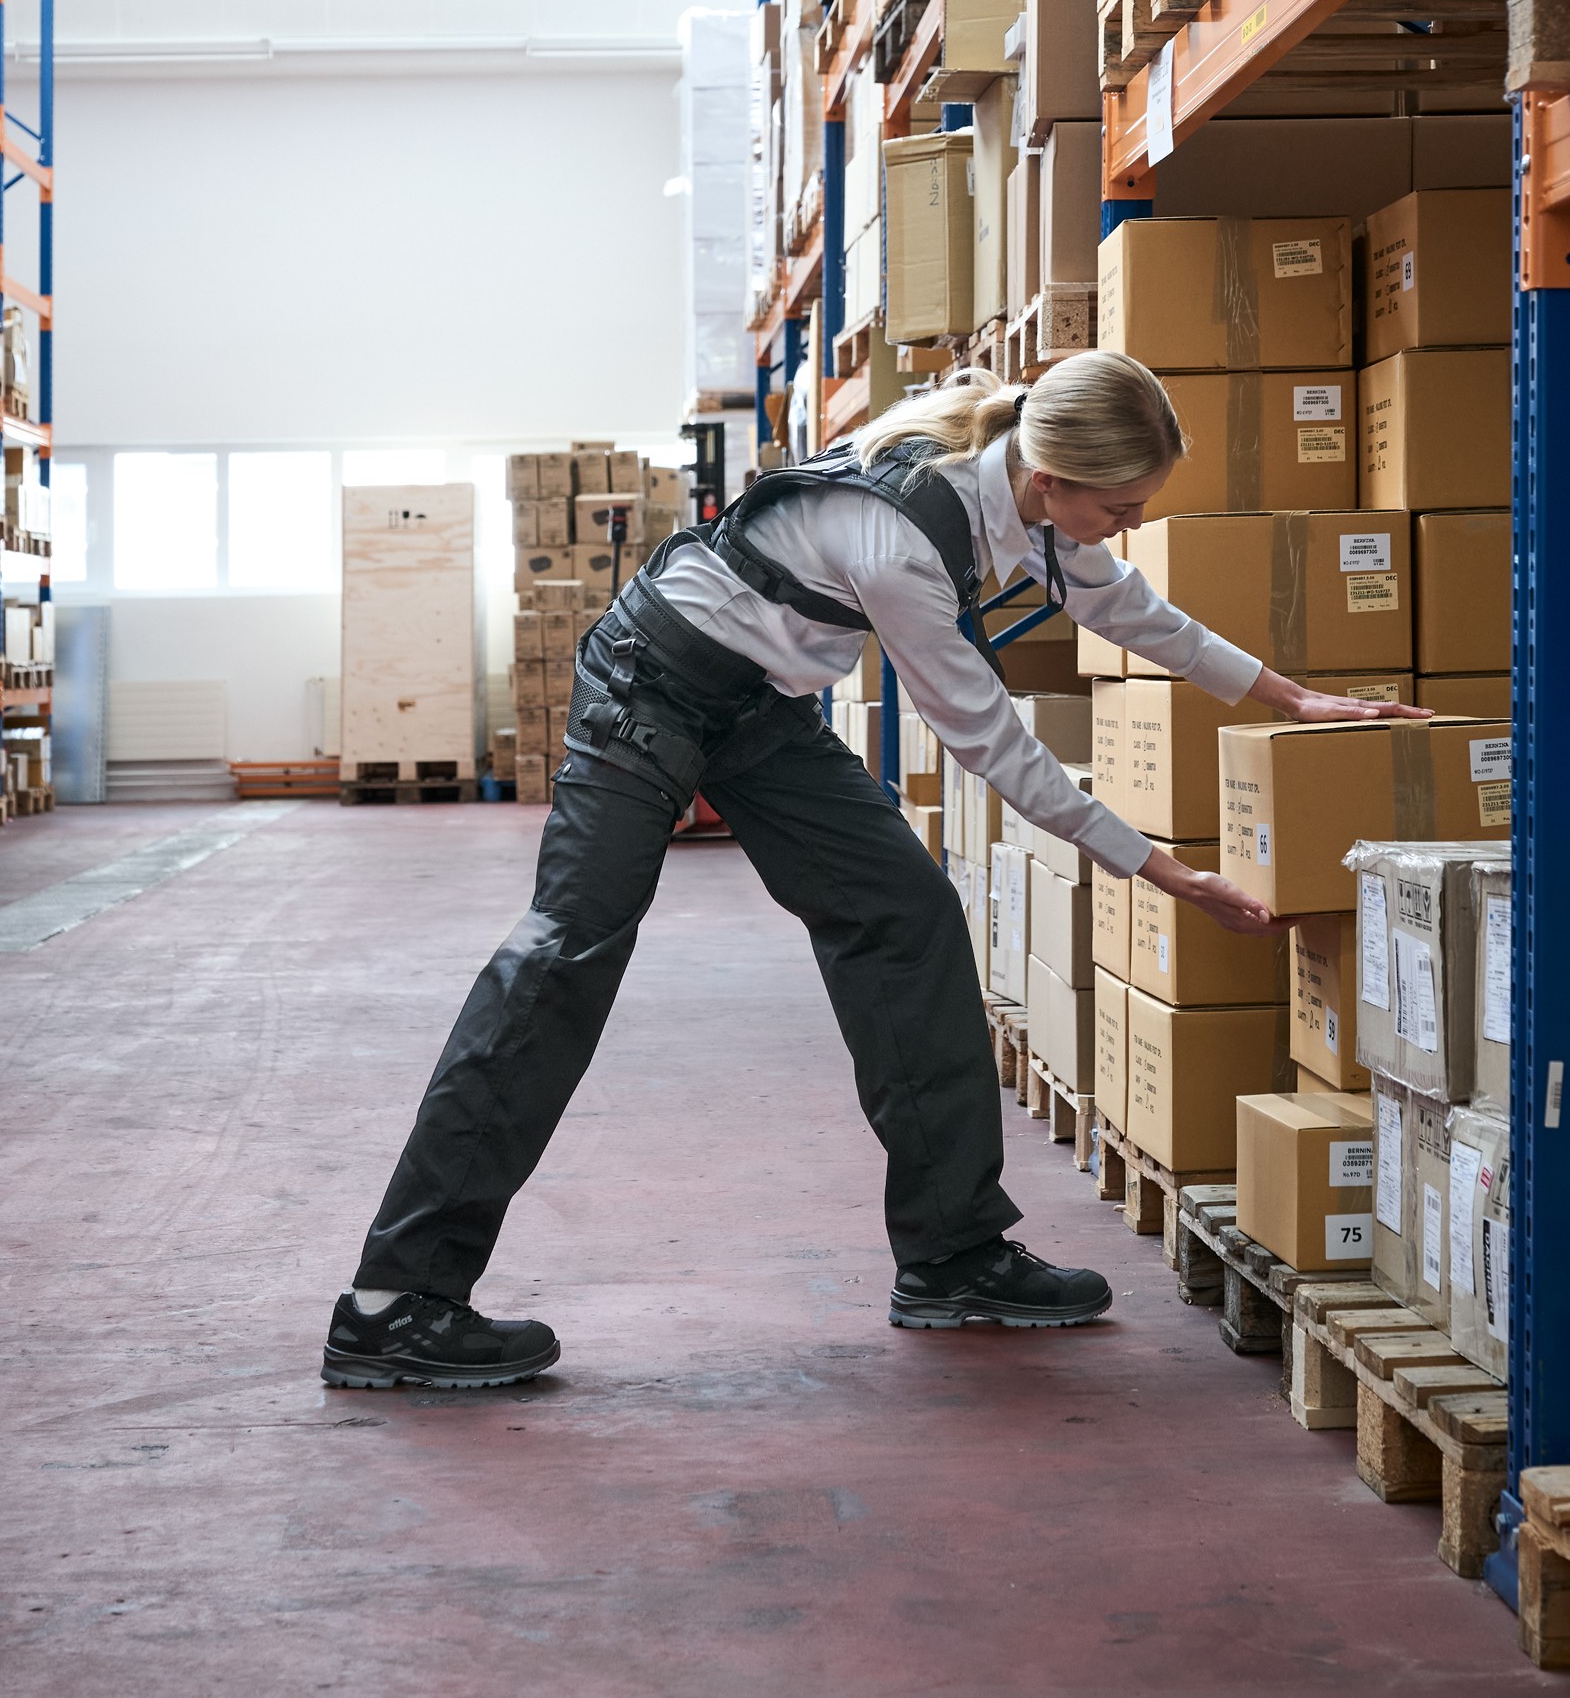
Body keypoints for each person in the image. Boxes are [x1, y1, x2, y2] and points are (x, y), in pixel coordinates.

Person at [321, 352, 1432, 1390]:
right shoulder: (902, 542)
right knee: (567, 954)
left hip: (756, 709)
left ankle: (952, 1254)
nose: (1127, 527)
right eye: (1120, 508)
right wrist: (1162, 871)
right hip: (649, 688)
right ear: (1049, 482)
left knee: (905, 914)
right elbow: (989, 741)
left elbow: (1128, 608)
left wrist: (1290, 699)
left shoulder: (1020, 498)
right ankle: (396, 1300)